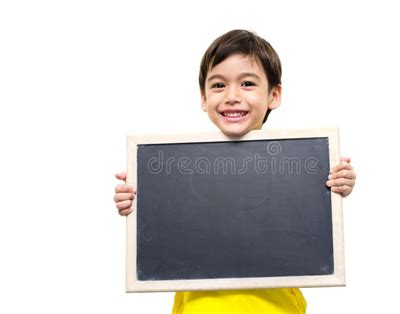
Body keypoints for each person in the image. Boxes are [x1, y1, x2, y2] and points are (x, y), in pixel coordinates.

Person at [113, 29, 356, 314]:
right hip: (199, 307)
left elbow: (317, 209)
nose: (232, 96)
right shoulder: (173, 171)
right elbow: (162, 228)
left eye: (247, 83)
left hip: (275, 307)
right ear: (203, 98)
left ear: (274, 95)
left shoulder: (299, 165)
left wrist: (340, 183)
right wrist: (136, 202)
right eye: (218, 85)